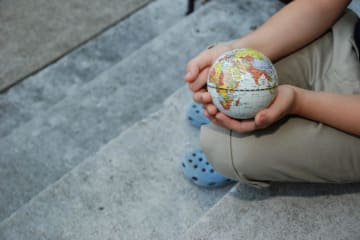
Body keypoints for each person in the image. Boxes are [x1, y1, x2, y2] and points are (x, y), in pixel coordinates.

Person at [183, 0, 360, 188]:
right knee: (232, 70)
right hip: (348, 44)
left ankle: (241, 150)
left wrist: (299, 102)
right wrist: (240, 48)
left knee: (224, 147)